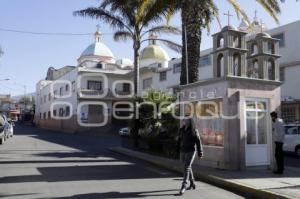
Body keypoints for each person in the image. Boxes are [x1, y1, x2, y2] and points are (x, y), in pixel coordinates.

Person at [177, 118, 203, 195]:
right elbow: (179, 140)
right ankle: (192, 183)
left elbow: (198, 142)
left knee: (186, 167)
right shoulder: (181, 129)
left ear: (190, 122)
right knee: (186, 166)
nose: (185, 121)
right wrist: (177, 149)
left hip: (191, 150)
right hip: (183, 150)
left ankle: (184, 185)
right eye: (184, 120)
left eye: (187, 120)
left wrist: (200, 153)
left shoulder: (194, 130)